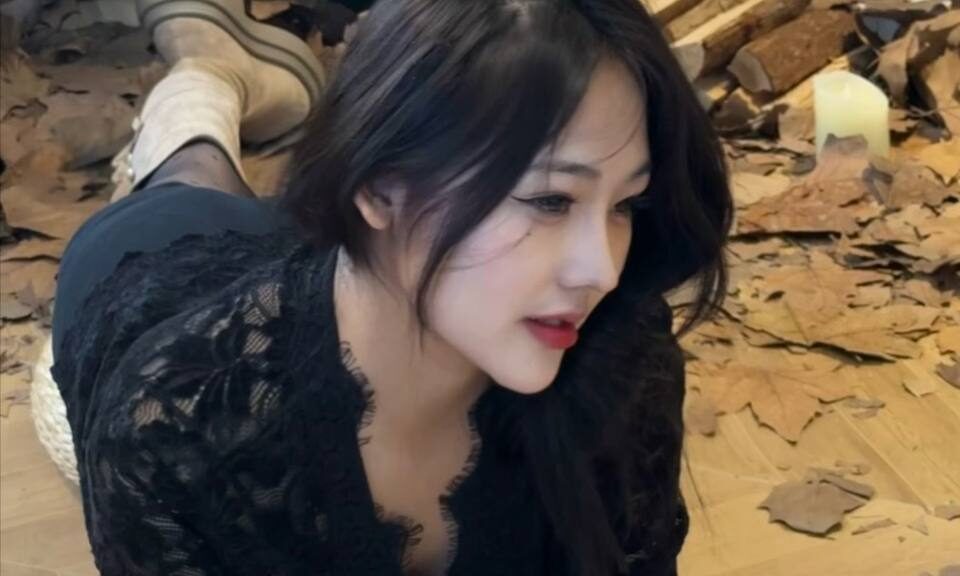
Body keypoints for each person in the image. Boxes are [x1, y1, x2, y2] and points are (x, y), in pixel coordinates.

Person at [48, 0, 733, 574]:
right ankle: (201, 89)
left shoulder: (622, 357)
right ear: (380, 187)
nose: (603, 271)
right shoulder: (170, 431)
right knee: (189, 172)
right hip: (156, 253)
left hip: (358, 263)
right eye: (551, 200)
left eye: (625, 205)